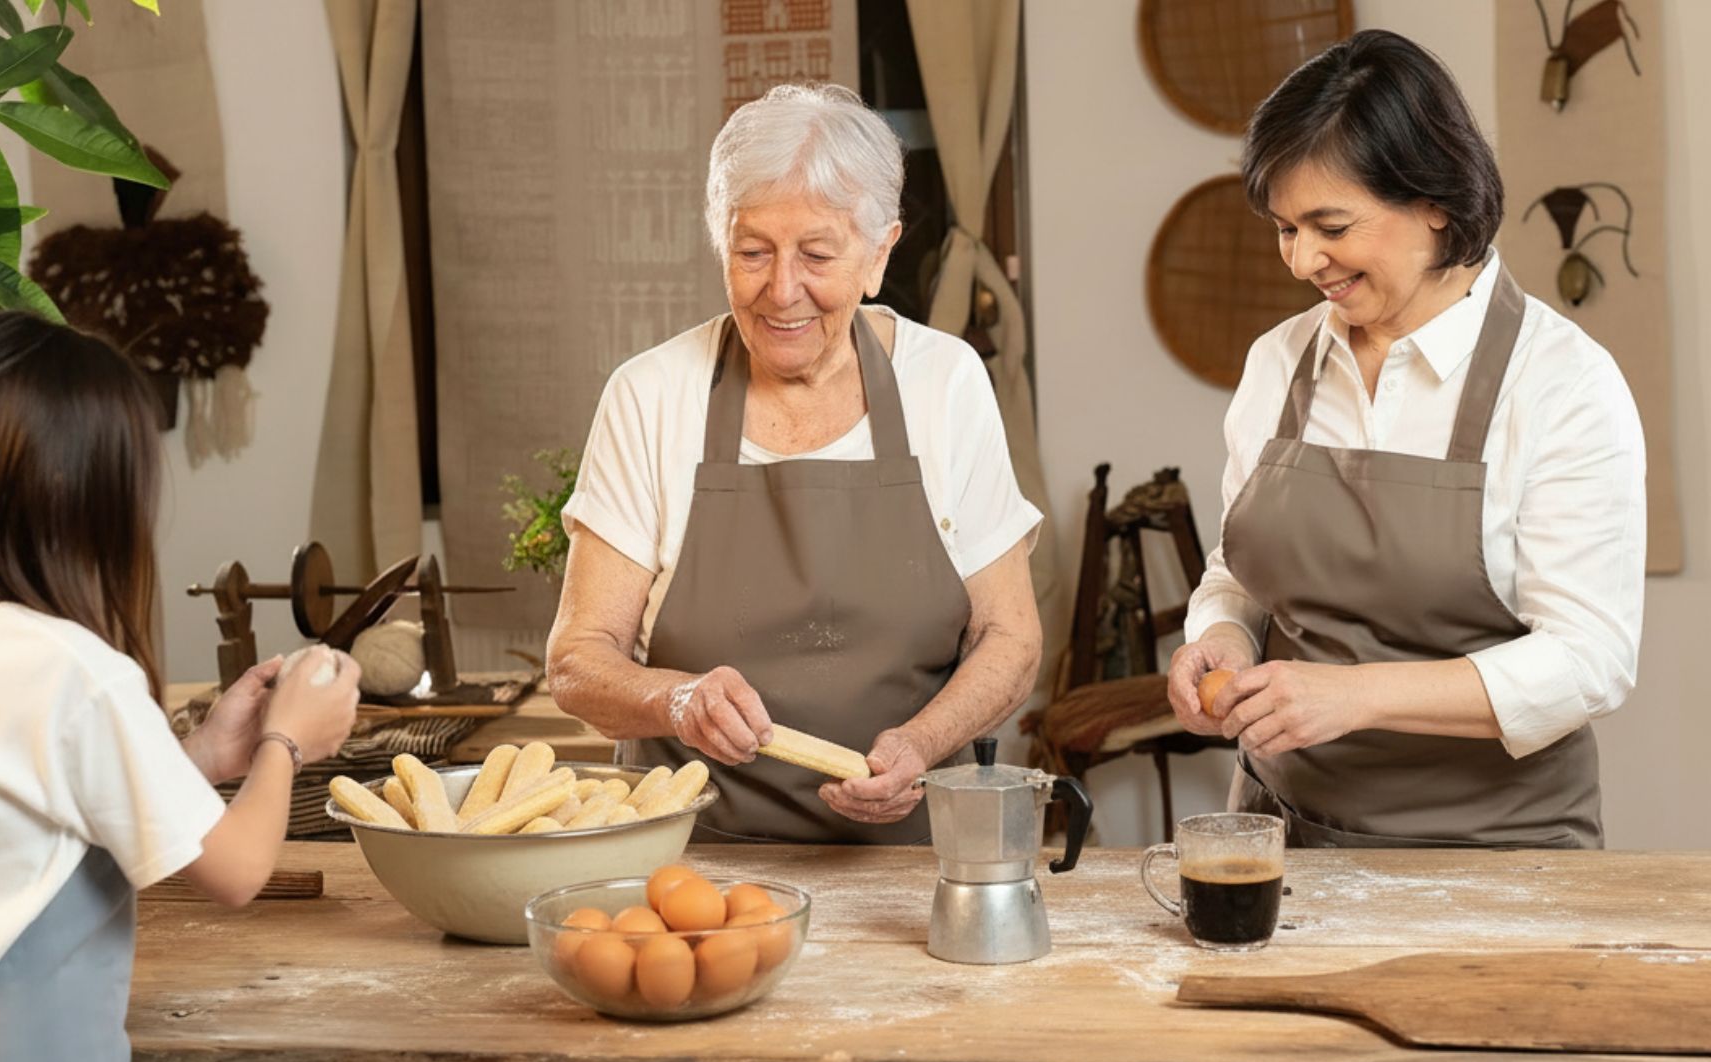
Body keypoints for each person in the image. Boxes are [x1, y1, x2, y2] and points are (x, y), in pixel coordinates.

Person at [0, 313, 361, 1062]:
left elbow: (34, 812)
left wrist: (201, 757)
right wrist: (288, 740)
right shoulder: (63, 664)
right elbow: (238, 872)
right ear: (79, 492)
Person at [1167, 30, 1645, 848]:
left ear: (1435, 201)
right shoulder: (1279, 362)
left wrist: (1359, 697)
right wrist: (1221, 635)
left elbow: (1588, 659)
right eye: (1285, 228)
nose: (1302, 259)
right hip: (1283, 839)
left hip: (1496, 857)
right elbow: (1238, 572)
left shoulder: (1563, 383)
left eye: (1331, 224)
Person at [546, 84, 1043, 843]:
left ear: (879, 256)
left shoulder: (944, 383)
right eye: (752, 253)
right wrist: (675, 701)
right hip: (690, 861)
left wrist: (920, 745)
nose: (782, 291)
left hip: (907, 863)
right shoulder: (651, 395)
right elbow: (579, 660)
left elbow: (1011, 638)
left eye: (817, 254)